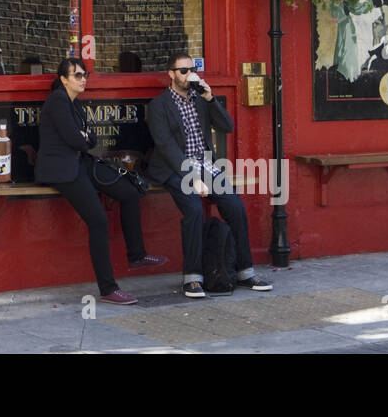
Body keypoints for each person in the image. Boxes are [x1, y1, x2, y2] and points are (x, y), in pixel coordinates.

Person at [36, 56, 166, 305]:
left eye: (85, 75)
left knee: (130, 191)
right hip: (62, 170)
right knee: (98, 221)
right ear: (63, 79)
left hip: (82, 163)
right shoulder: (58, 101)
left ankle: (137, 255)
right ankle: (108, 288)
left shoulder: (74, 103)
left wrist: (84, 137)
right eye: (77, 75)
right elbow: (77, 140)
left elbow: (92, 139)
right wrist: (84, 137)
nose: (83, 79)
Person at [145, 52, 272, 298]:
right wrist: (192, 178)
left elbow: (227, 126)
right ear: (170, 74)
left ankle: (245, 271)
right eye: (183, 71)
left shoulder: (201, 99)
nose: (188, 75)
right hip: (174, 167)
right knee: (193, 209)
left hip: (205, 164)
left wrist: (211, 98)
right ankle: (192, 278)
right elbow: (166, 146)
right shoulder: (159, 105)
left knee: (235, 206)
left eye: (191, 69)